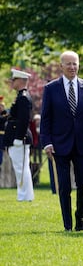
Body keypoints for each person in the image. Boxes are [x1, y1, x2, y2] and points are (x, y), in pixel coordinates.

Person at [40, 50, 83, 232]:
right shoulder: (50, 89)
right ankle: (67, 224)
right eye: (68, 64)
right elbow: (46, 118)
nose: (72, 67)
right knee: (65, 186)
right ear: (61, 66)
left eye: (75, 63)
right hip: (60, 145)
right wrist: (47, 142)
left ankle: (79, 217)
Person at [4, 69, 34, 201]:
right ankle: (24, 195)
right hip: (16, 137)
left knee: (21, 168)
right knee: (20, 168)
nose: (12, 82)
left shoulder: (23, 97)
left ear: (20, 81)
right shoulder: (21, 96)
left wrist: (18, 138)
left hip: (19, 138)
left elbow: (23, 120)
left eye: (14, 80)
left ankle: (24, 196)